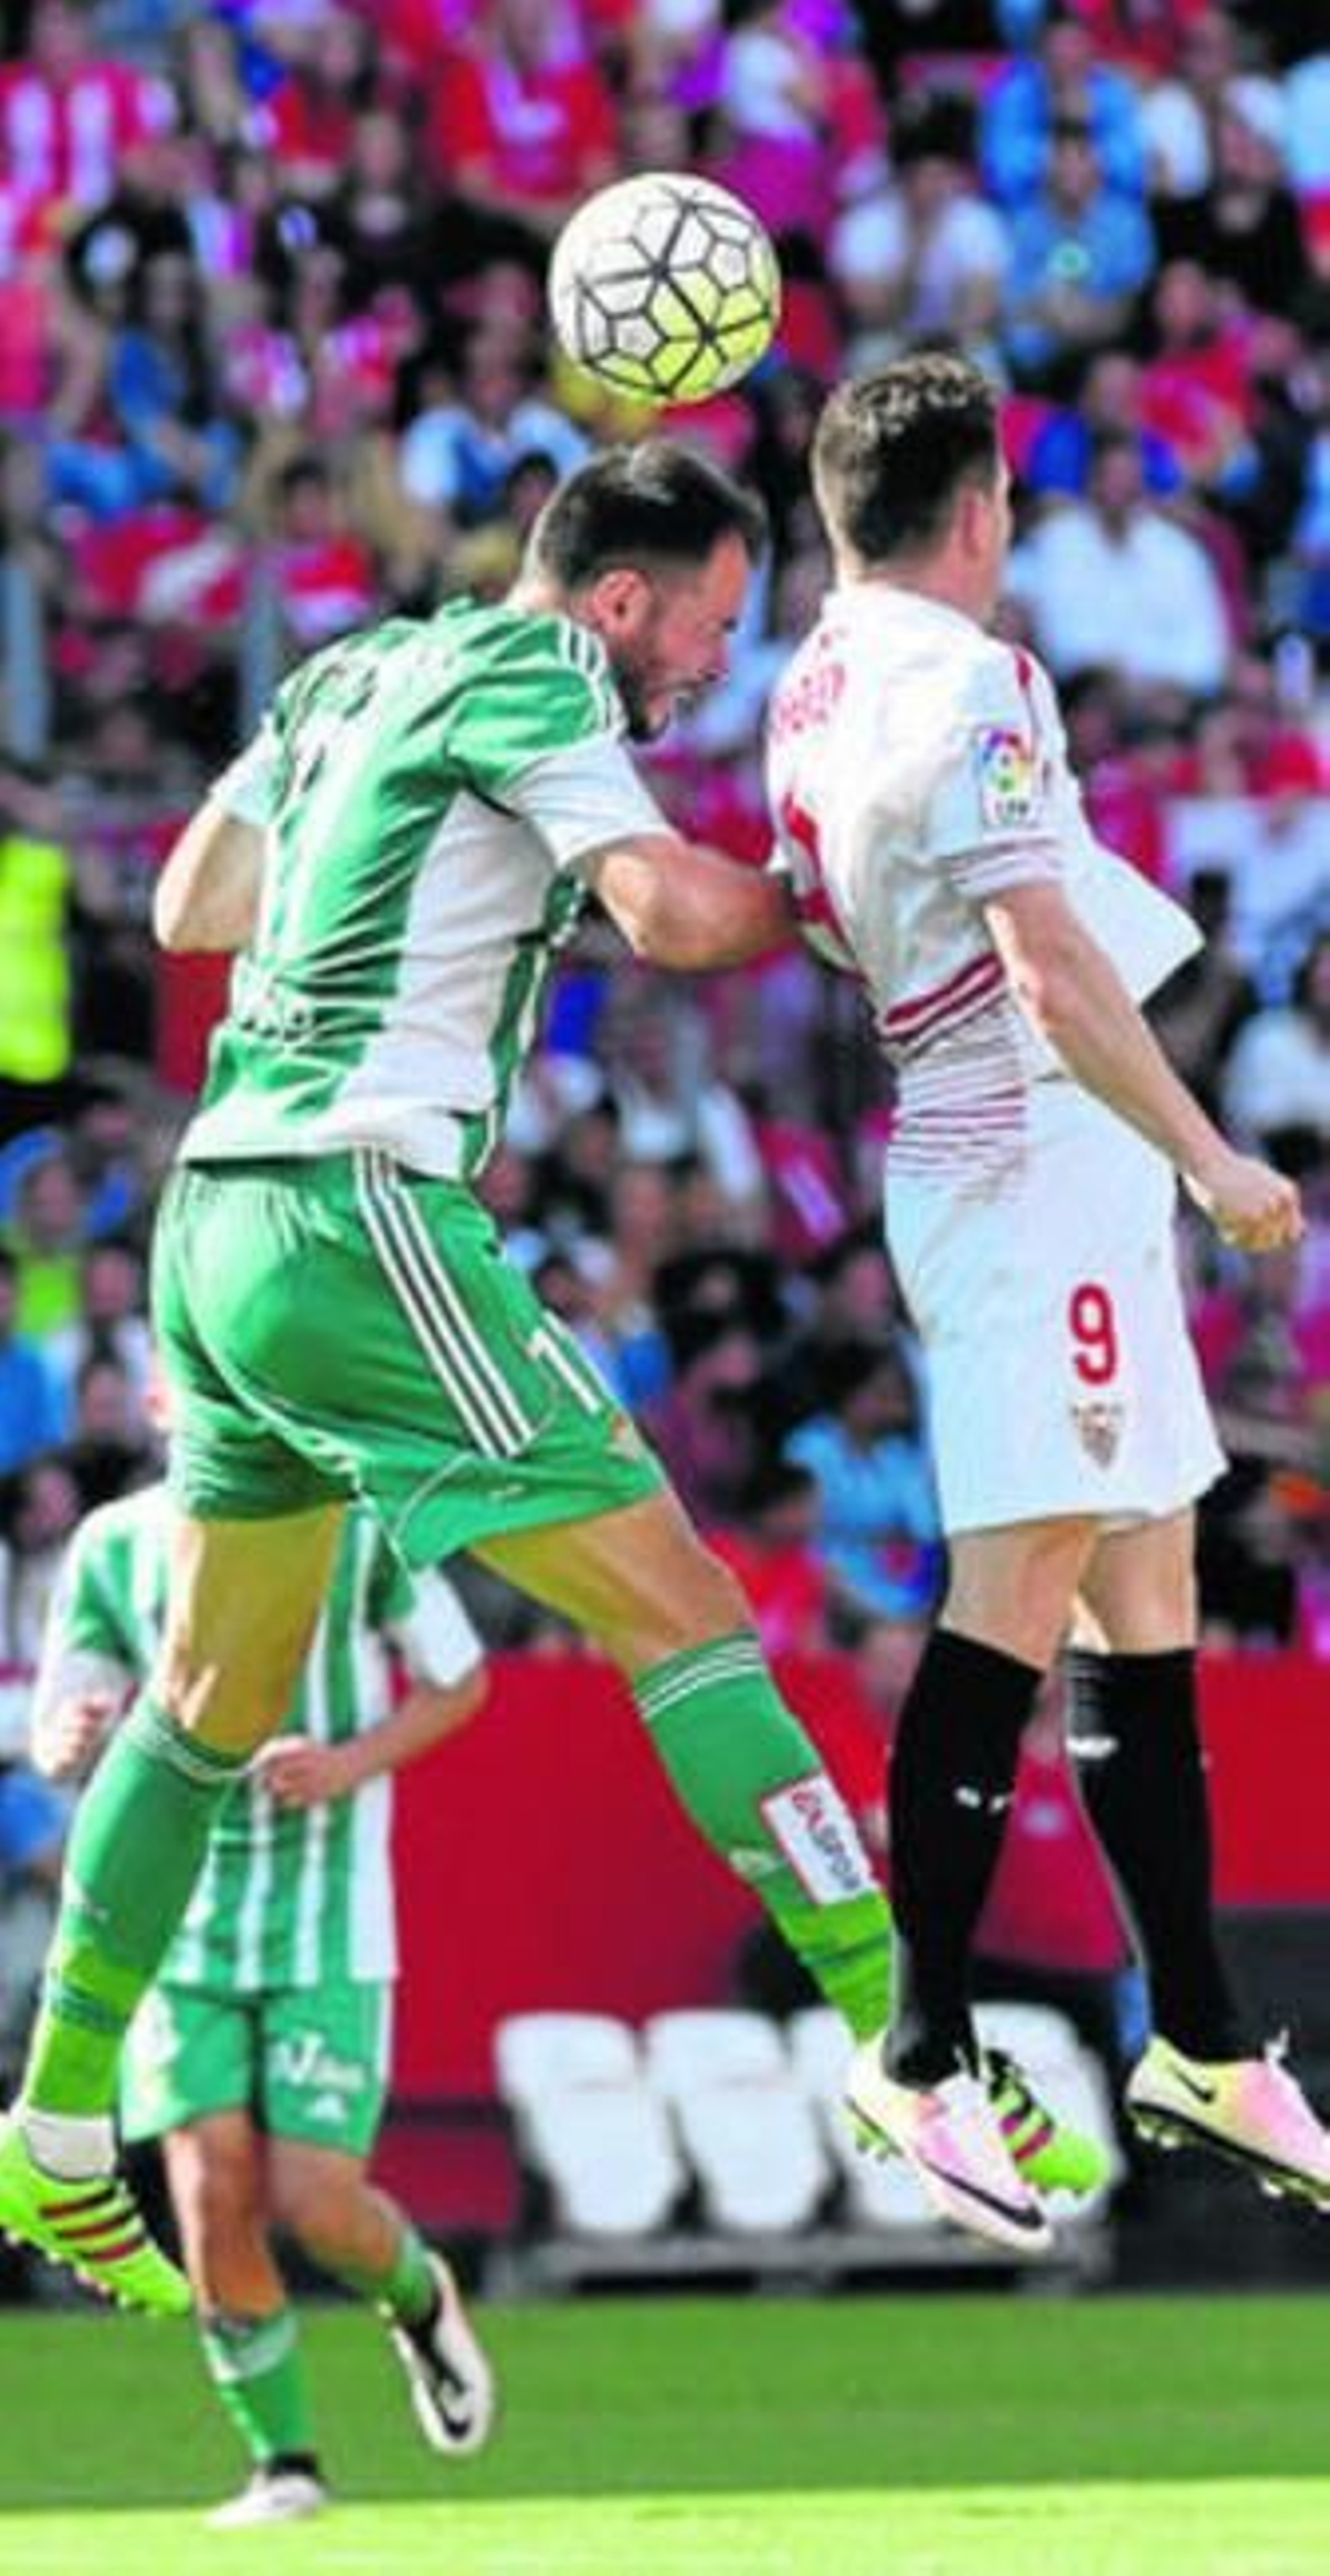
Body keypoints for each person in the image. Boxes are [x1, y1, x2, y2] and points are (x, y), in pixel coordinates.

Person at [0, 442, 915, 2313]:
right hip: (355, 1203)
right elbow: (668, 914)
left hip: (217, 1220)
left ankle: (58, 2109)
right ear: (612, 596)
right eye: (704, 630)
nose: (703, 674)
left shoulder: (350, 670)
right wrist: (842, 890)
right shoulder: (540, 677)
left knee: (203, 1692)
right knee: (686, 1609)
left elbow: (192, 901)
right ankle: (913, 2045)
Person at [766, 351, 1330, 2251]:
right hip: (1027, 1157)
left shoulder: (814, 681)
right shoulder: (967, 676)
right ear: (985, 508)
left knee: (1140, 1574)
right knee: (1012, 1595)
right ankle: (917, 2049)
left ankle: (1194, 2028)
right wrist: (1206, 1154)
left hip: (1004, 1150)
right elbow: (1052, 973)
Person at [30, 1482, 493, 2528]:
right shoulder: (115, 1544)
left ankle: (417, 2297)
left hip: (326, 1916)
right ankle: (283, 2461)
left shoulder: (360, 1523)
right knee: (210, 2189)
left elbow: (458, 1680)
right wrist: (71, 1737)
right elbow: (64, 1722)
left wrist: (349, 1762)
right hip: (175, 1920)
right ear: (166, 1400)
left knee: (318, 2203)